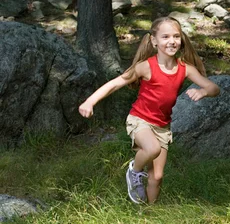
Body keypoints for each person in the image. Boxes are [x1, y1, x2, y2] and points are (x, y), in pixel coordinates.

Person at [79, 16, 220, 204]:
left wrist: (203, 92)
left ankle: (149, 213)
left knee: (157, 176)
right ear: (154, 41)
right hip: (140, 120)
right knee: (152, 148)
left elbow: (214, 88)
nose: (172, 41)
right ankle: (134, 171)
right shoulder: (146, 66)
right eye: (165, 37)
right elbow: (115, 84)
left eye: (176, 36)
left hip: (162, 126)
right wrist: (90, 101)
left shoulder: (185, 69)